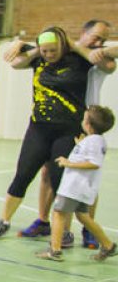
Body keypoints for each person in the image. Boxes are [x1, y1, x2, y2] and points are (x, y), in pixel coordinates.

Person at [0, 27, 96, 239]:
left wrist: (74, 46)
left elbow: (102, 60)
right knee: (22, 175)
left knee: (60, 181)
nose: (49, 55)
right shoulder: (38, 58)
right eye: (45, 51)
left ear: (63, 45)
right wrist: (27, 47)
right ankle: (4, 220)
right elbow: (15, 63)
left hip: (68, 131)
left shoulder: (79, 60)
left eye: (53, 50)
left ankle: (64, 231)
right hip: (39, 129)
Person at [24, 20, 114, 247]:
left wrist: (80, 46)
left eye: (103, 39)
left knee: (86, 178)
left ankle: (87, 228)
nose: (99, 42)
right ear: (83, 32)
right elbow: (28, 52)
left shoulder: (96, 56)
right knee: (48, 171)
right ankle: (44, 221)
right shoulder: (61, 54)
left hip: (88, 124)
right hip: (63, 122)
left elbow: (112, 58)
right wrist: (19, 45)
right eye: (96, 37)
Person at [36, 105, 116, 262]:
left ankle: (55, 250)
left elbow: (94, 163)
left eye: (84, 119)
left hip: (74, 187)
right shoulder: (93, 140)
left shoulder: (94, 142)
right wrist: (80, 144)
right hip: (81, 188)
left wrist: (69, 163)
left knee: (58, 213)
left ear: (88, 125)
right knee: (83, 216)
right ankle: (108, 245)